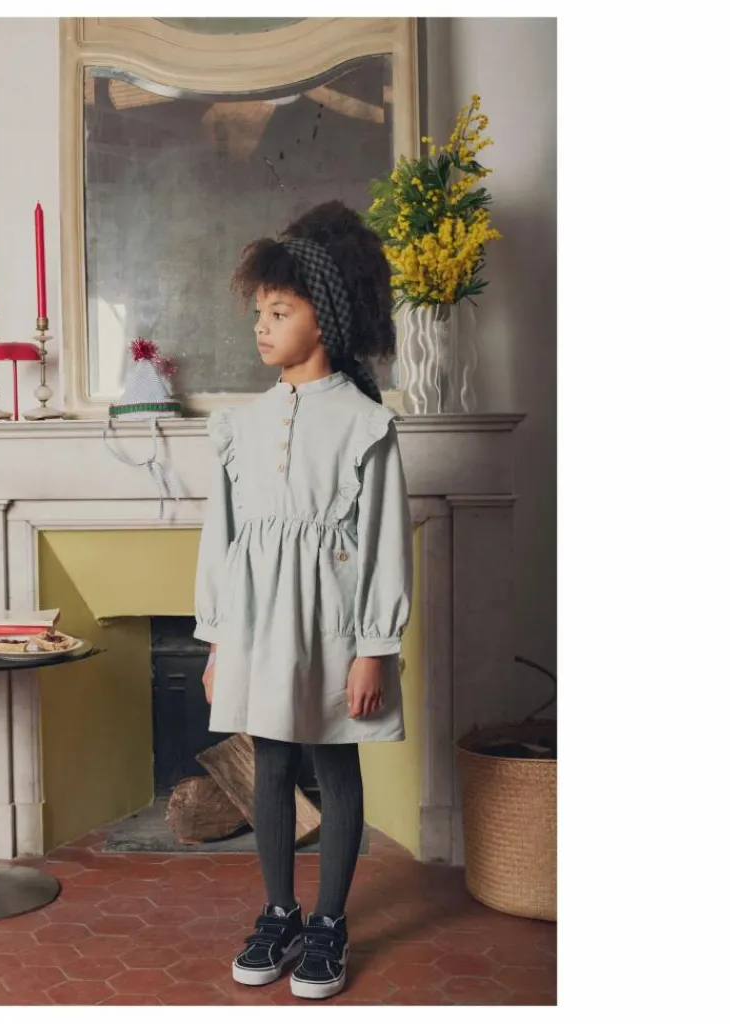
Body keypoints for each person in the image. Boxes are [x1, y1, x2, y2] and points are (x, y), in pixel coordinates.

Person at [193, 200, 414, 1001]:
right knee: (272, 761)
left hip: (334, 627)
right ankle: (280, 912)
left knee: (334, 758)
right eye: (259, 312)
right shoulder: (240, 427)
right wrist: (218, 638)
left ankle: (329, 923)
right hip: (257, 626)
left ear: (325, 318)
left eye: (279, 312)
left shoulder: (364, 424)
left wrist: (374, 647)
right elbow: (222, 539)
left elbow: (385, 540)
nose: (262, 327)